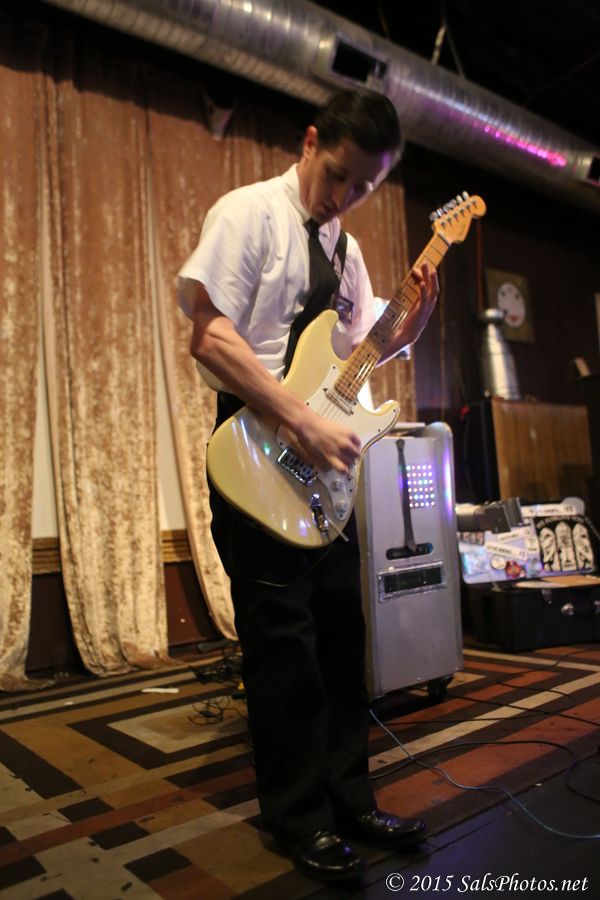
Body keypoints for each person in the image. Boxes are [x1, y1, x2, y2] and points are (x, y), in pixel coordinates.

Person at [178, 88, 439, 884]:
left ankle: (351, 802)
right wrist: (297, 420)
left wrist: (409, 327)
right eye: (338, 175)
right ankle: (299, 820)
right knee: (283, 645)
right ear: (311, 140)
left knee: (339, 635)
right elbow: (209, 336)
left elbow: (357, 353)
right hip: (256, 445)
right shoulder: (247, 214)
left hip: (320, 454)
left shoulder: (346, 251)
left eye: (364, 187)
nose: (344, 197)